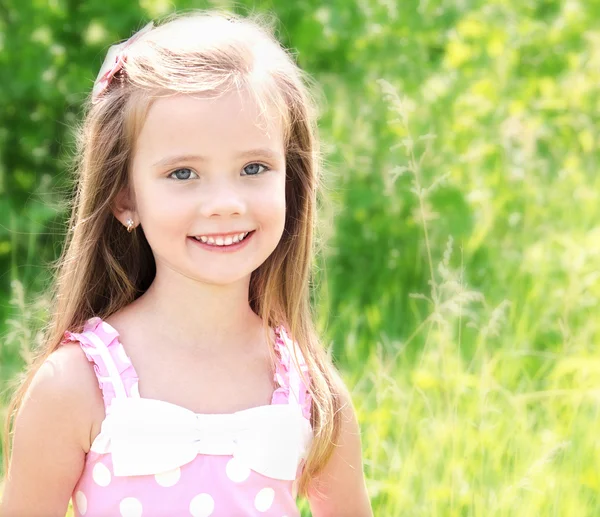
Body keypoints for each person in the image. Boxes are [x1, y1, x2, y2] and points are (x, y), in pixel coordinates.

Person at [0, 10, 373, 517]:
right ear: (125, 197)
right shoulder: (75, 385)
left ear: (291, 179)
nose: (225, 202)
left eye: (254, 167)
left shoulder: (312, 394)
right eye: (182, 173)